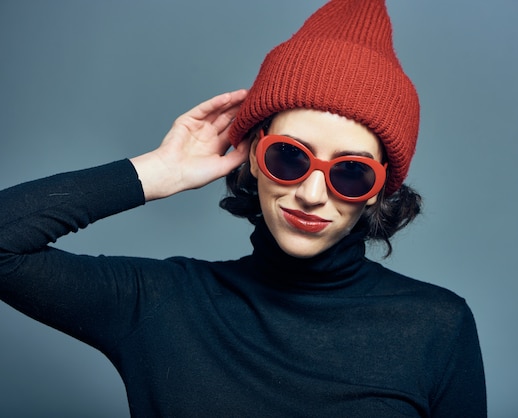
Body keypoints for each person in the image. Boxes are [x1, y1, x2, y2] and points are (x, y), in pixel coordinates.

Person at [0, 0, 486, 416]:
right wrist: (157, 171)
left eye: (351, 172)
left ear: (380, 189)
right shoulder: (160, 303)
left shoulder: (437, 326)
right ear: (254, 156)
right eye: (290, 157)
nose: (313, 194)